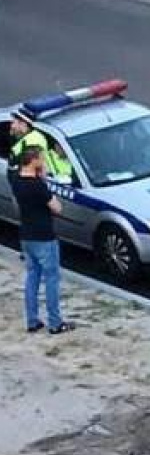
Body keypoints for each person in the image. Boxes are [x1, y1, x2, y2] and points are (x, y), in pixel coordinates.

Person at [13, 147, 73, 334]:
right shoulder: (37, 185)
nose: (44, 162)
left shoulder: (17, 181)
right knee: (51, 279)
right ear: (34, 161)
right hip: (44, 236)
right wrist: (44, 179)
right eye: (42, 159)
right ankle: (55, 322)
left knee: (32, 277)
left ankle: (32, 320)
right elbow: (57, 208)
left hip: (26, 236)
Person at [7, 109, 48, 174]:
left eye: (13, 122)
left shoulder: (31, 142)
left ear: (23, 124)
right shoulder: (30, 137)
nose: (12, 126)